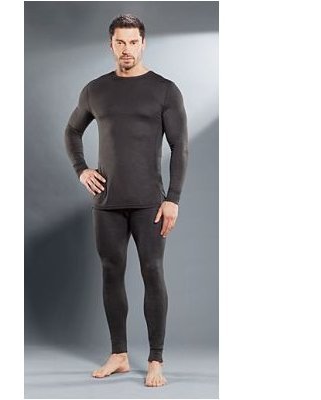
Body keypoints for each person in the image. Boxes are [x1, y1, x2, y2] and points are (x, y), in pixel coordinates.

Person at [64, 14, 188, 387]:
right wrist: (81, 169)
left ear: (143, 43)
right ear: (111, 45)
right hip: (108, 203)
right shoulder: (96, 90)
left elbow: (180, 147)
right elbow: (72, 130)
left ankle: (155, 359)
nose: (127, 49)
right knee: (111, 272)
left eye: (133, 42)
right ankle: (118, 354)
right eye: (120, 42)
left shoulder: (165, 90)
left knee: (152, 272)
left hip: (150, 203)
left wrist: (173, 198)